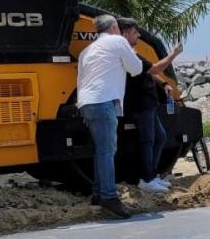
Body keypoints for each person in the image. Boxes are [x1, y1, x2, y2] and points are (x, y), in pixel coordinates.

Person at [77, 15, 143, 219]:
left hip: (86, 102)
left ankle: (98, 193)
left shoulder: (86, 50)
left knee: (101, 150)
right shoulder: (118, 41)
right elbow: (136, 69)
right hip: (104, 101)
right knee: (107, 151)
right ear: (115, 27)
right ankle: (108, 196)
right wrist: (132, 53)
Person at [117, 18, 183, 193]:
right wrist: (174, 54)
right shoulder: (126, 53)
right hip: (140, 105)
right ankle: (146, 179)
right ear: (125, 33)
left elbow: (148, 71)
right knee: (147, 140)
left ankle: (152, 175)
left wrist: (163, 84)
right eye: (135, 32)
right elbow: (154, 68)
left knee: (159, 137)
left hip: (149, 104)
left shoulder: (132, 52)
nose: (138, 35)